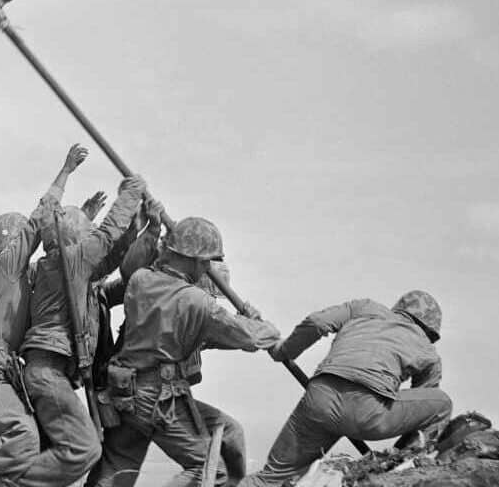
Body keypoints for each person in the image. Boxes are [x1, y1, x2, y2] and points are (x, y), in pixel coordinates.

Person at [89, 208, 281, 487]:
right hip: (158, 396)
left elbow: (209, 336)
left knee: (117, 470)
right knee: (208, 470)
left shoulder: (141, 281)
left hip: (123, 391)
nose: (207, 269)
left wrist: (154, 228)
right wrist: (266, 328)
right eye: (206, 262)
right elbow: (247, 336)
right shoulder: (196, 302)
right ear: (194, 260)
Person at [0, 144, 89, 487]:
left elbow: (60, 252)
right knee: (25, 437)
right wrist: (65, 172)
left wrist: (84, 216)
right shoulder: (6, 266)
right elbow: (40, 220)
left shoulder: (16, 277)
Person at [16, 168, 148, 487]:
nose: (91, 238)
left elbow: (111, 256)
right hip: (48, 373)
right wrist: (130, 193)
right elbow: (106, 236)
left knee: (60, 452)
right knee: (85, 449)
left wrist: (139, 226)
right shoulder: (70, 260)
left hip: (52, 373)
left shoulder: (63, 267)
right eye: (86, 233)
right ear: (75, 238)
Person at [241, 291, 453, 487]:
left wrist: (283, 351)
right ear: (429, 330)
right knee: (442, 403)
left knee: (269, 478)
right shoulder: (428, 351)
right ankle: (401, 469)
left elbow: (318, 322)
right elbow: (421, 412)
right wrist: (396, 457)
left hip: (319, 400)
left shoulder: (364, 308)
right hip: (368, 413)